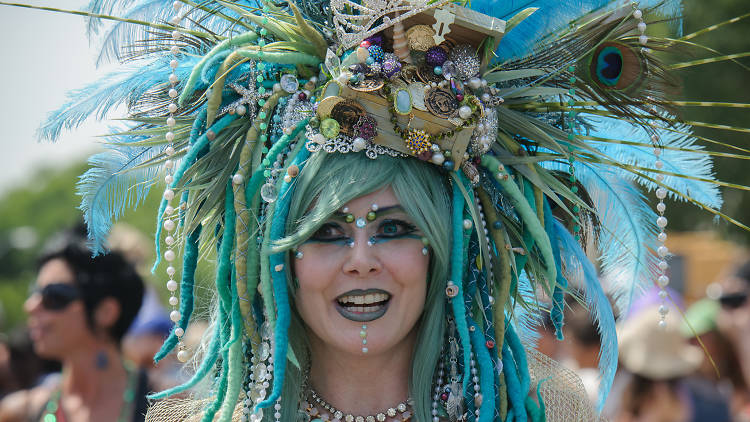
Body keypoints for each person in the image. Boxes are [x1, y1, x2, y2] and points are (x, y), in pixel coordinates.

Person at [2, 0, 747, 420]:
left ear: (441, 251)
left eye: (395, 228)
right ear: (282, 262)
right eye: (326, 232)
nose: (362, 257)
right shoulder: (191, 419)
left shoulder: (543, 407)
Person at [0, 234, 148, 422]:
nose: (30, 306)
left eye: (53, 296)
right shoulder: (20, 413)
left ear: (106, 312)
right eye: (34, 293)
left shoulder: (169, 407)